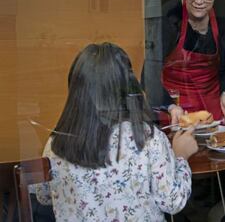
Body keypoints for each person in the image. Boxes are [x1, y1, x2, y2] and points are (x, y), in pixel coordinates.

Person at [36, 42, 198, 222]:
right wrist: (181, 157)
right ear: (127, 88)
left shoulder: (56, 142)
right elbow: (173, 202)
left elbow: (43, 196)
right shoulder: (146, 138)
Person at [142, 0, 225, 125]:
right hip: (174, 106)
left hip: (212, 106)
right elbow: (148, 75)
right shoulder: (168, 17)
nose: (199, 0)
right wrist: (171, 107)